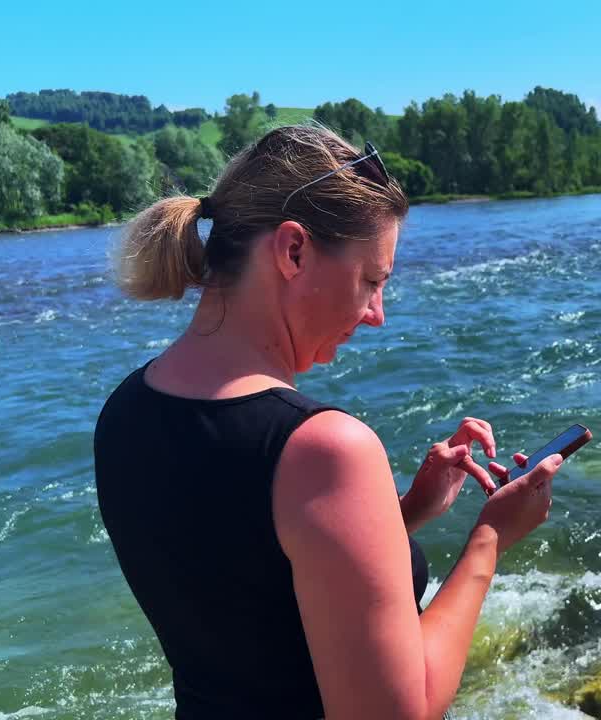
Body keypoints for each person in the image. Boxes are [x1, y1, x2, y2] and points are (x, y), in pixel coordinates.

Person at [93, 125, 559, 720]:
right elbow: (398, 710)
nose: (376, 315)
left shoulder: (125, 408)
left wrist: (401, 513)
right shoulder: (322, 448)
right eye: (372, 280)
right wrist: (491, 537)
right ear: (293, 252)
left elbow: (247, 579)